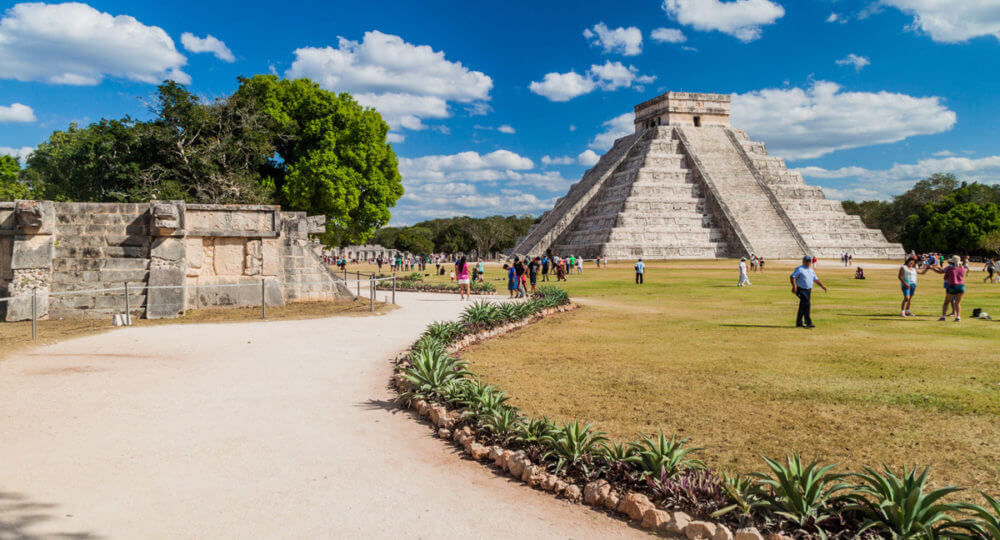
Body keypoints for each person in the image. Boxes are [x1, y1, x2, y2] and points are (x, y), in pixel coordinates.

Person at [790, 256, 827, 328]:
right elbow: (792, 276)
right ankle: (808, 322)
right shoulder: (800, 269)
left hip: (808, 290)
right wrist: (794, 286)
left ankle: (799, 323)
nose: (808, 263)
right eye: (807, 261)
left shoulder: (811, 270)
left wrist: (822, 286)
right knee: (807, 305)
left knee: (803, 306)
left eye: (809, 261)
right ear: (803, 261)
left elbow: (815, 279)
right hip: (801, 289)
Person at [929, 255, 966, 322]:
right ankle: (958, 317)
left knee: (946, 302)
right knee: (958, 303)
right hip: (961, 286)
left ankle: (943, 317)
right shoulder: (962, 268)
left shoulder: (949, 268)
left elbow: (945, 277)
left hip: (953, 286)